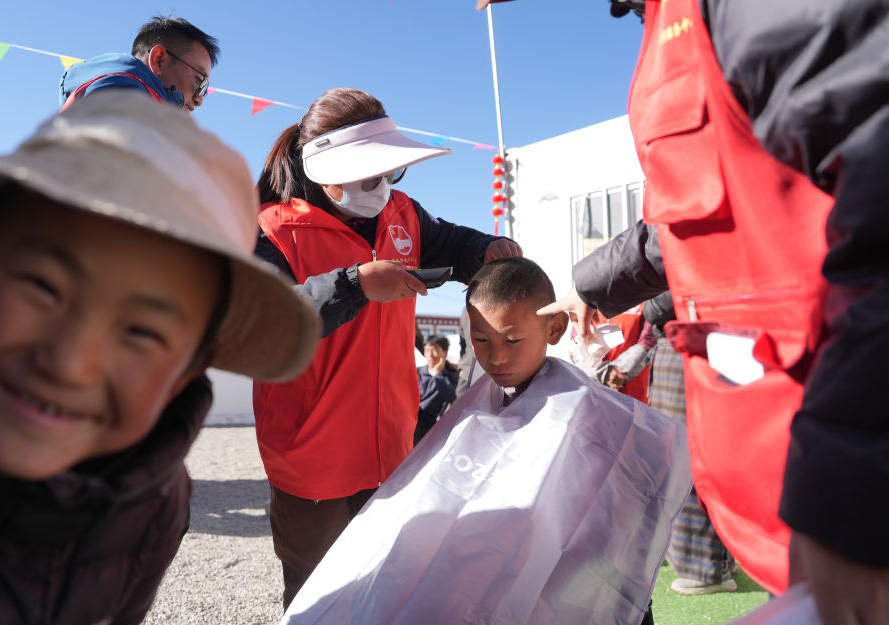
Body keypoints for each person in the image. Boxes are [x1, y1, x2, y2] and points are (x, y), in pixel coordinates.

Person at [482, 0, 889, 621]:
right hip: (791, 481)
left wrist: (857, 490)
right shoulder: (668, 22)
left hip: (843, 477)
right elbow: (685, 219)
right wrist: (589, 287)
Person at [0, 91, 318, 624]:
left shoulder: (151, 509)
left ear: (188, 369)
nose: (70, 363)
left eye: (142, 331)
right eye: (42, 287)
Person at [280, 257, 688, 625]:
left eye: (512, 341)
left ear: (554, 328)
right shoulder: (475, 404)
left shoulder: (584, 409)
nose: (495, 358)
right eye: (481, 340)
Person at [253, 86, 522, 608]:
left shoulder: (404, 214)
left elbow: (455, 243)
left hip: (391, 446)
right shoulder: (273, 230)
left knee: (384, 587)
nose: (383, 188)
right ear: (324, 173)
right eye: (369, 176)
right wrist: (354, 284)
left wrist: (489, 249)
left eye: (392, 173)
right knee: (315, 596)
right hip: (309, 456)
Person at [644, 292, 737, 595]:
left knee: (689, 459)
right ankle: (716, 562)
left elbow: (663, 301)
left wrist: (650, 306)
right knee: (689, 457)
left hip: (692, 344)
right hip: (696, 343)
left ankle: (708, 569)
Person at [58, 15, 219, 112]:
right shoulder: (124, 93)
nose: (199, 100)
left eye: (205, 89)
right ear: (158, 60)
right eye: (199, 81)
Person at [414, 334, 458, 444]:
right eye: (427, 350)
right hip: (413, 420)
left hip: (433, 424)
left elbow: (451, 397)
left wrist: (437, 375)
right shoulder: (416, 372)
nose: (430, 355)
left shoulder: (451, 376)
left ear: (445, 353)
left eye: (434, 350)